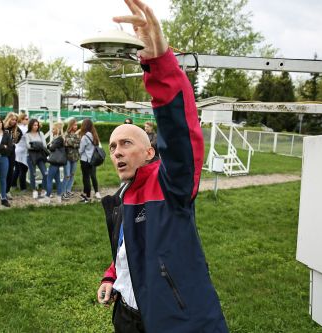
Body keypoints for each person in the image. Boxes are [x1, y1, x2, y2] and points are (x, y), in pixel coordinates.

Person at [96, 1, 228, 332]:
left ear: (151, 151)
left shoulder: (171, 186)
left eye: (126, 143)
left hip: (172, 319)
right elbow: (131, 249)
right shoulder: (120, 197)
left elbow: (181, 136)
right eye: (112, 147)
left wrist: (159, 64)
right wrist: (112, 276)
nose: (116, 152)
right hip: (126, 315)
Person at [39, 122, 66, 204]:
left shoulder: (59, 139)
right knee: (58, 180)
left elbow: (52, 148)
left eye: (53, 129)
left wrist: (48, 146)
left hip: (54, 162)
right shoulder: (60, 138)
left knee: (49, 179)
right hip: (57, 162)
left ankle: (47, 198)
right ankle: (58, 198)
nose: (52, 130)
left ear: (57, 129)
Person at [78, 118, 101, 203]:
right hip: (94, 160)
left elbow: (80, 150)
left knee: (86, 178)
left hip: (85, 160)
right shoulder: (94, 135)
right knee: (93, 176)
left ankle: (87, 197)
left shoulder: (84, 137)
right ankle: (93, 193)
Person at [25, 118, 48, 199]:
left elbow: (44, 145)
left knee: (45, 173)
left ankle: (43, 190)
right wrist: (38, 145)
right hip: (30, 156)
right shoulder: (27, 134)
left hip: (40, 156)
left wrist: (34, 145)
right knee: (33, 174)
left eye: (37, 125)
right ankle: (34, 190)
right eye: (34, 125)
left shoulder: (40, 133)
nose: (36, 126)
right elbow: (28, 146)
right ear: (30, 125)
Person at [61, 118, 80, 200]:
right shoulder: (66, 134)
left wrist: (74, 142)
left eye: (76, 125)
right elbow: (68, 142)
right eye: (75, 125)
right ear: (71, 125)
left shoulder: (78, 135)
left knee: (72, 174)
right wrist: (75, 141)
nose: (76, 126)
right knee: (67, 175)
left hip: (75, 157)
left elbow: (79, 143)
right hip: (67, 158)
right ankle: (63, 192)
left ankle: (68, 190)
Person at [3, 112, 22, 198]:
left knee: (10, 171)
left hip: (11, 152)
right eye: (12, 119)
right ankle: (2, 190)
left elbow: (19, 138)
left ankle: (7, 191)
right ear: (8, 118)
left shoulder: (17, 129)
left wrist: (14, 141)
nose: (14, 121)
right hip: (2, 151)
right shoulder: (2, 126)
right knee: (3, 172)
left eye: (15, 120)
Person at [11, 113, 29, 192]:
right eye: (26, 119)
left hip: (17, 149)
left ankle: (13, 184)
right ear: (21, 120)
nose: (28, 121)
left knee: (17, 169)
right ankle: (23, 187)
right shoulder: (23, 128)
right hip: (22, 151)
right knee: (23, 169)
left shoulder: (19, 127)